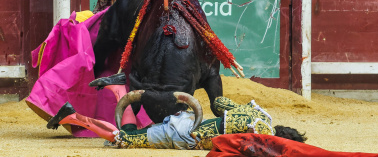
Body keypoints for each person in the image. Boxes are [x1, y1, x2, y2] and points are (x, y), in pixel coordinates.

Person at [46, 74, 306, 150]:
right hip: (184, 135)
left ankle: (118, 91)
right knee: (123, 140)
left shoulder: (259, 115)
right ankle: (73, 116)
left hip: (190, 117)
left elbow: (222, 105)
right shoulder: (260, 144)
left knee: (134, 133)